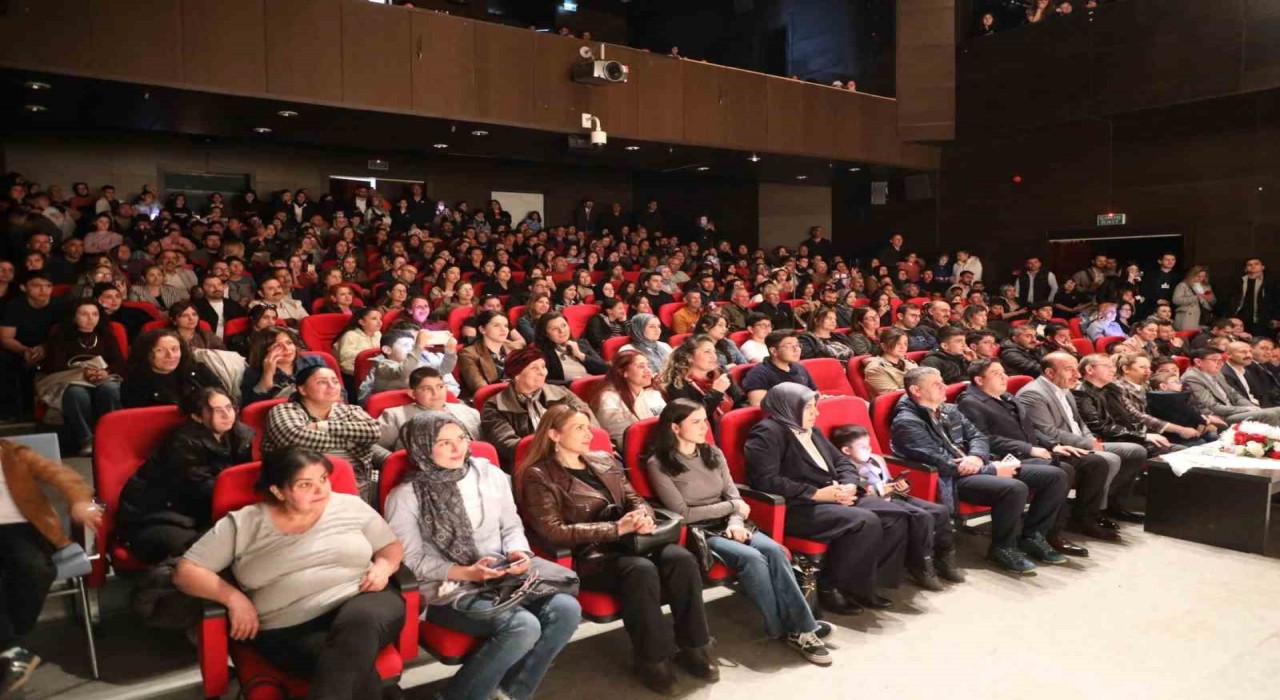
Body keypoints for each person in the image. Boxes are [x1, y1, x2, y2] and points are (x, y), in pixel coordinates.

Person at [173, 448, 406, 700]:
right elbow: (187, 571)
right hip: (288, 627)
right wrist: (234, 598)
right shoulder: (244, 523)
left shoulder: (350, 505)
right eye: (305, 484)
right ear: (278, 491)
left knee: (357, 630)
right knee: (347, 669)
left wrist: (383, 567)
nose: (320, 490)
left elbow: (390, 546)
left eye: (323, 479)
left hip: (363, 598)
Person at [516, 405, 715, 695]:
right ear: (555, 435)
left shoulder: (602, 459)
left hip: (632, 541)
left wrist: (643, 516)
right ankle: (652, 659)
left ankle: (694, 646)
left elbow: (635, 498)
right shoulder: (539, 475)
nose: (589, 434)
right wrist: (615, 529)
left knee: (681, 558)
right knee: (640, 570)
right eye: (579, 428)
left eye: (588, 426)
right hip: (592, 555)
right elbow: (552, 530)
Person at [385, 412, 580, 700]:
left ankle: (509, 694)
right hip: (448, 586)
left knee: (566, 609)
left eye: (461, 438)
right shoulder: (405, 496)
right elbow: (411, 561)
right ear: (422, 447)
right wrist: (466, 572)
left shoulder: (490, 475)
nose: (457, 448)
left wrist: (517, 552)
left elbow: (511, 525)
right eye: (444, 443)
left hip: (503, 575)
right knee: (522, 626)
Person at [644, 400, 833, 664]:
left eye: (705, 420)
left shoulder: (713, 453)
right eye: (696, 422)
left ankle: (798, 627)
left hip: (733, 522)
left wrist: (735, 521)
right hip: (701, 531)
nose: (704, 427)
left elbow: (734, 495)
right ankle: (794, 628)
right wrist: (733, 508)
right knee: (752, 558)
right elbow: (684, 513)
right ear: (675, 428)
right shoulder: (659, 464)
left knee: (775, 551)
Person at [745, 383, 906, 613]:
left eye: (815, 406)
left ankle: (865, 585)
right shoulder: (767, 433)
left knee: (896, 515)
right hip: (797, 506)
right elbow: (766, 480)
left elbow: (841, 462)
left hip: (832, 495)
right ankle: (830, 586)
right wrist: (816, 494)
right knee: (865, 521)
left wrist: (849, 484)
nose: (816, 413)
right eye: (809, 407)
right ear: (788, 407)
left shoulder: (812, 430)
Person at [893, 367, 1070, 574]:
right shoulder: (907, 422)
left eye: (943, 382)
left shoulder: (949, 409)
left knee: (1056, 475)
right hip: (952, 479)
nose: (944, 387)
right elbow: (942, 463)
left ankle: (1033, 536)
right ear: (916, 390)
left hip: (978, 466)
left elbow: (978, 436)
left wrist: (977, 457)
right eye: (936, 384)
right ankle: (1003, 548)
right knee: (1014, 488)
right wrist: (992, 469)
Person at [957, 359, 1113, 550]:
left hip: (1036, 450)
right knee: (1063, 470)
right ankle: (1044, 533)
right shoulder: (970, 403)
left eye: (1004, 372)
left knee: (1094, 462)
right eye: (997, 374)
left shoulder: (1007, 397)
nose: (1005, 377)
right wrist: (1028, 449)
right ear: (979, 380)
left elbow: (1030, 428)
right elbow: (985, 439)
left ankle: (1083, 519)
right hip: (1008, 457)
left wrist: (1054, 445)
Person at [0, 437, 104, 696]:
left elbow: (63, 476)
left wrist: (79, 501)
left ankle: (10, 643)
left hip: (22, 528)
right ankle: (10, 649)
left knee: (35, 568)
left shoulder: (13, 454)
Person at [117, 387, 254, 563]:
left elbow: (242, 479)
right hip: (159, 513)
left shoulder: (240, 436)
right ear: (196, 417)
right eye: (217, 411)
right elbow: (204, 490)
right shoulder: (182, 443)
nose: (227, 415)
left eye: (229, 408)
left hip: (201, 510)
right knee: (206, 551)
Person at [1016, 352, 1148, 525]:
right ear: (1050, 373)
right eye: (1069, 370)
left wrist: (1091, 440)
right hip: (1058, 446)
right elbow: (1048, 432)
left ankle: (1111, 504)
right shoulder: (1033, 394)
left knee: (1136, 451)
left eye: (1076, 369)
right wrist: (1088, 444)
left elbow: (1080, 423)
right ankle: (1088, 513)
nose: (1077, 375)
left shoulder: (1065, 389)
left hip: (1082, 442)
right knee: (1109, 459)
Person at [828, 424, 963, 587]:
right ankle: (921, 564)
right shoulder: (845, 468)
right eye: (863, 447)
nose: (868, 449)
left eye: (869, 445)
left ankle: (945, 557)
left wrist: (900, 486)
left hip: (895, 496)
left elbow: (889, 480)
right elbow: (858, 493)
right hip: (877, 502)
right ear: (846, 450)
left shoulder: (877, 459)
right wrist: (880, 490)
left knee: (940, 510)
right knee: (922, 517)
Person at [262, 365, 385, 502]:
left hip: (357, 480)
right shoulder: (284, 410)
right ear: (302, 389)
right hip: (300, 483)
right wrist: (351, 441)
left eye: (335, 381)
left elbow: (373, 432)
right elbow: (295, 439)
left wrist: (322, 426)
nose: (332, 386)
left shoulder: (350, 410)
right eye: (322, 382)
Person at [480, 347, 596, 470]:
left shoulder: (562, 393)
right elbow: (509, 446)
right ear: (516, 375)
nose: (543, 372)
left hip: (574, 456)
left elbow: (591, 424)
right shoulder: (494, 407)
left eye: (543, 366)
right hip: (530, 466)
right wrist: (558, 449)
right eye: (534, 368)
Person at [41, 299, 124, 455]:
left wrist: (106, 372)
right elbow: (54, 365)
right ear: (74, 317)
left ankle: (110, 437)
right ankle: (86, 439)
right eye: (84, 314)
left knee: (111, 389)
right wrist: (82, 371)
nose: (90, 318)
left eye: (94, 314)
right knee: (76, 393)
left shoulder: (106, 335)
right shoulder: (61, 336)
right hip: (73, 379)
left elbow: (119, 362)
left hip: (103, 377)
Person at [1113, 353, 1208, 447]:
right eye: (1142, 367)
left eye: (1149, 367)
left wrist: (1199, 419)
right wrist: (1179, 429)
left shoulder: (1147, 385)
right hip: (1135, 434)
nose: (1148, 371)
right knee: (1192, 444)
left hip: (1157, 430)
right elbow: (1138, 416)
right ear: (1126, 369)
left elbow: (1167, 409)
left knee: (1204, 436)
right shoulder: (1117, 388)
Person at [376, 367, 482, 450]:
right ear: (413, 393)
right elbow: (372, 446)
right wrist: (391, 460)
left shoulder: (468, 411)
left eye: (440, 387)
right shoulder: (394, 416)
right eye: (427, 389)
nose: (435, 393)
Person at [121, 329, 226, 408]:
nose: (170, 355)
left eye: (174, 349)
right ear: (146, 354)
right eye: (160, 350)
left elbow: (224, 400)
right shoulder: (134, 383)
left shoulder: (199, 371)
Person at [1181, 348, 1280, 426]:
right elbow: (1212, 407)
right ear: (1198, 362)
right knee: (1270, 414)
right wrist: (1246, 409)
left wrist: (1252, 407)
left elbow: (1235, 395)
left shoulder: (1217, 374)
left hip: (1232, 411)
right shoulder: (1192, 377)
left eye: (1221, 360)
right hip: (1219, 417)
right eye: (1215, 360)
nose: (1220, 364)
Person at [591, 350, 667, 445]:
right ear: (623, 372)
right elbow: (625, 440)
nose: (648, 371)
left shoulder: (653, 393)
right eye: (640, 366)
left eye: (648, 366)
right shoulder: (609, 400)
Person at [240, 326, 326, 406]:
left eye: (289, 343)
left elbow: (330, 389)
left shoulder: (314, 361)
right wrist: (267, 374)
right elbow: (253, 409)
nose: (287, 348)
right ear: (265, 350)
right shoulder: (253, 373)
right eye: (277, 345)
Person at [741, 331, 817, 405]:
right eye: (789, 346)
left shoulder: (799, 367)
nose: (796, 349)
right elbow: (758, 406)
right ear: (774, 351)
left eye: (797, 345)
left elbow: (814, 393)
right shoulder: (758, 374)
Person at [535, 311, 607, 384]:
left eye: (564, 325)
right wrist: (572, 383)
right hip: (568, 390)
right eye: (554, 329)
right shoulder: (541, 353)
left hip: (595, 385)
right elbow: (543, 381)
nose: (562, 331)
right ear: (545, 333)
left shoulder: (582, 343)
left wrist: (580, 355)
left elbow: (605, 369)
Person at [863, 328, 918, 399]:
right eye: (897, 343)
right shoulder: (875, 369)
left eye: (905, 343)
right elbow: (893, 396)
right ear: (884, 346)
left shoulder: (910, 363)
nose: (903, 347)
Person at [194, 273, 246, 338]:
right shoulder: (195, 307)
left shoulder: (234, 306)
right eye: (211, 286)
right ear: (202, 289)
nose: (217, 288)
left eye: (219, 284)